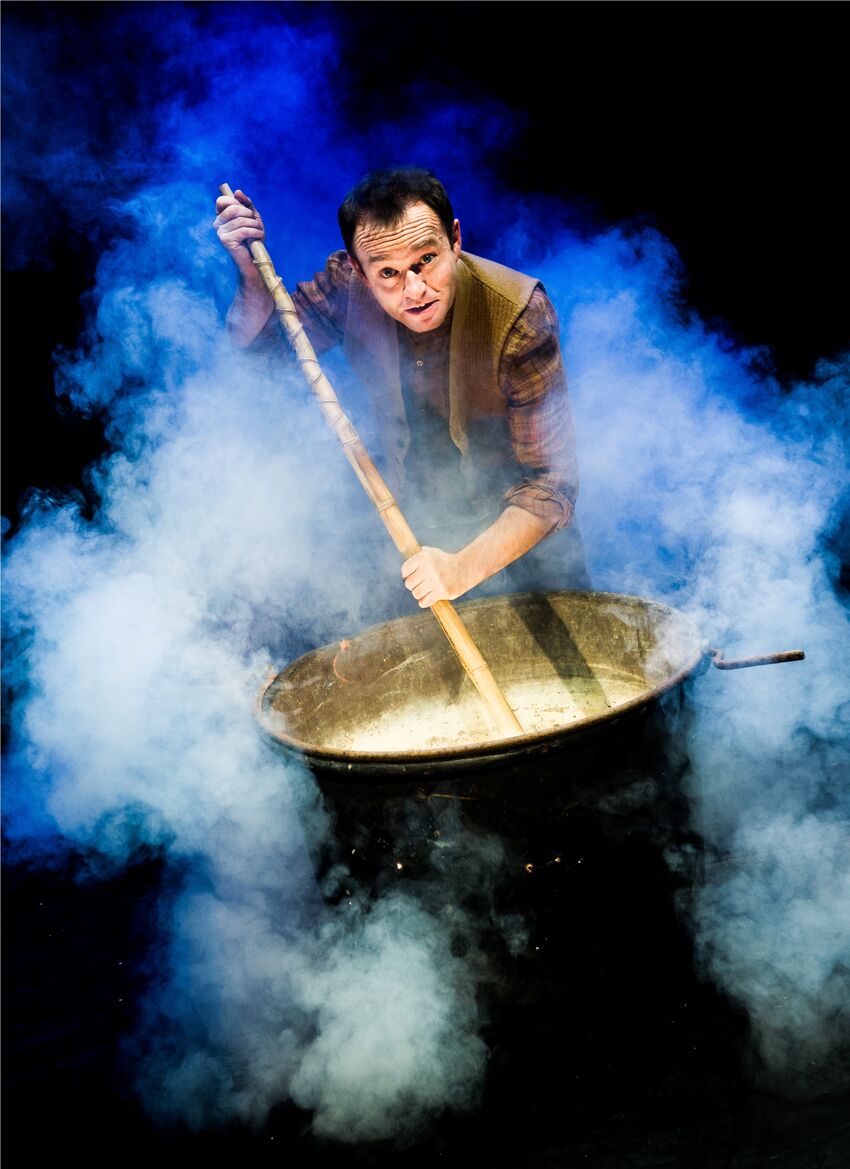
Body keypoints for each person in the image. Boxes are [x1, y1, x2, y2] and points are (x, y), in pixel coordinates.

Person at [214, 166, 590, 612]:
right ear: (358, 269)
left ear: (454, 239)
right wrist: (250, 273)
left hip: (529, 555)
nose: (415, 290)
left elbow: (551, 486)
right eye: (389, 273)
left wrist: (462, 569)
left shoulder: (520, 318)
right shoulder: (346, 285)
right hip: (420, 541)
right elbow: (260, 356)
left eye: (426, 261)